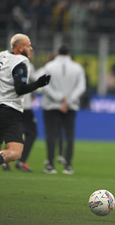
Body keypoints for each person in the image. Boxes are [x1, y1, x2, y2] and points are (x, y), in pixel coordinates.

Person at [0, 33, 51, 185]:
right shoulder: (21, 61)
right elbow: (19, 89)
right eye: (28, 45)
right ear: (20, 48)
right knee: (15, 152)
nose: (31, 48)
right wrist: (38, 84)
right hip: (10, 110)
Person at [41, 44, 86, 175]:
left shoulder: (49, 66)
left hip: (51, 105)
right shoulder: (77, 68)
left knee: (51, 134)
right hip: (71, 106)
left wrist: (59, 98)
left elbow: (45, 85)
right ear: (69, 54)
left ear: (57, 54)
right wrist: (68, 100)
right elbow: (81, 87)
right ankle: (68, 166)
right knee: (69, 135)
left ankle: (50, 165)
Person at [15, 53, 38, 172]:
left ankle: (3, 161)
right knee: (32, 133)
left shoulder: (9, 63)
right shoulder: (28, 65)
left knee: (10, 133)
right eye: (29, 48)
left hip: (11, 105)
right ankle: (21, 161)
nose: (31, 51)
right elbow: (34, 79)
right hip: (25, 106)